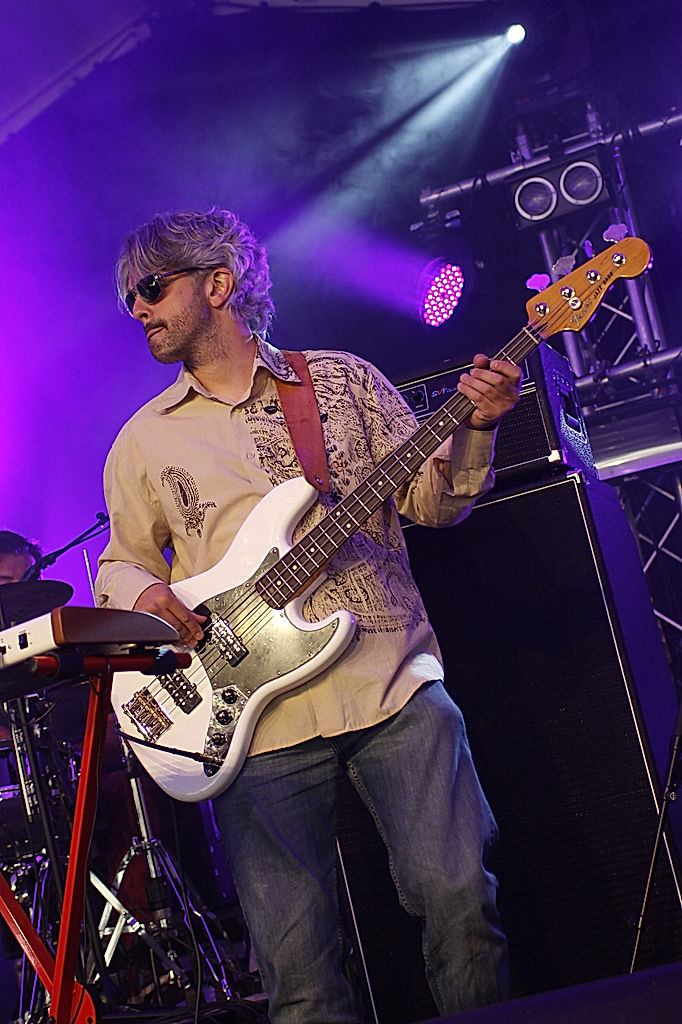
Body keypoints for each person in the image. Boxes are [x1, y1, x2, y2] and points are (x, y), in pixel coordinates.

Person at [96, 208, 522, 1024]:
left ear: (217, 282)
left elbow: (434, 504)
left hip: (390, 685)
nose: (139, 310)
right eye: (130, 300)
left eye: (151, 288)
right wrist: (144, 596)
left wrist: (474, 431)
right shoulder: (141, 442)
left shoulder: (344, 381)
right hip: (252, 727)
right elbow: (123, 563)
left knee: (462, 907)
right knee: (300, 979)